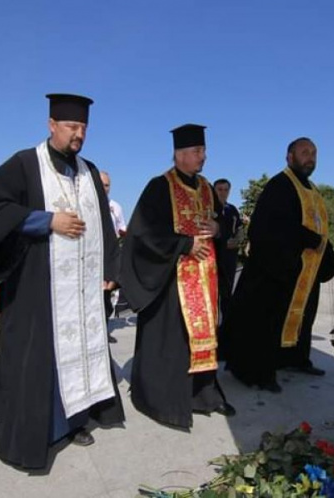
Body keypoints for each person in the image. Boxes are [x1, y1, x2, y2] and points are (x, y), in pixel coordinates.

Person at [0, 93, 124, 470]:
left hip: (82, 290)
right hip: (36, 285)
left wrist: (110, 270)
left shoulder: (89, 171)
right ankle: (40, 431)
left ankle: (77, 421)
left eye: (83, 128)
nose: (78, 134)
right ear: (51, 125)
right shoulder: (25, 164)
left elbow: (105, 228)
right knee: (38, 358)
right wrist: (47, 221)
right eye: (71, 127)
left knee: (79, 352)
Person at [120, 123, 235, 429]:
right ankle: (165, 400)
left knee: (205, 337)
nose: (203, 157)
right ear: (179, 154)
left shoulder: (208, 187)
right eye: (197, 151)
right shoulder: (160, 186)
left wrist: (217, 230)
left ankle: (204, 394)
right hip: (172, 280)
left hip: (205, 279)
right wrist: (184, 244)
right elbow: (144, 233)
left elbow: (220, 222)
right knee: (174, 341)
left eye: (204, 151)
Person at [223, 137, 334, 393]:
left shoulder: (312, 189)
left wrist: (328, 256)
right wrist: (305, 238)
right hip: (276, 270)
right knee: (268, 323)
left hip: (304, 270)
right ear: (289, 157)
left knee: (304, 318)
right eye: (304, 152)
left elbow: (318, 230)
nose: (310, 157)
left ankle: (295, 359)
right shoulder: (279, 185)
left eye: (313, 153)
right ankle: (259, 373)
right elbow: (267, 227)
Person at [212, 178, 244, 340]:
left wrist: (238, 241)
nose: (223, 192)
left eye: (225, 189)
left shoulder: (232, 209)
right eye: (219, 189)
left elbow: (239, 229)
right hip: (213, 257)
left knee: (226, 295)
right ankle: (211, 331)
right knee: (212, 296)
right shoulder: (209, 209)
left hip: (229, 258)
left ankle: (226, 334)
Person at [99, 170, 126, 339]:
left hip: (110, 253)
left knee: (108, 292)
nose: (104, 188)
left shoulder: (115, 207)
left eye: (107, 185)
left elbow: (121, 228)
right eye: (101, 184)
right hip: (92, 253)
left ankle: (104, 328)